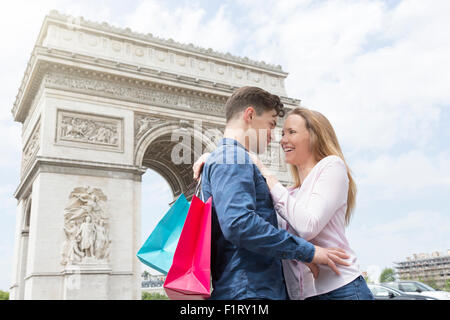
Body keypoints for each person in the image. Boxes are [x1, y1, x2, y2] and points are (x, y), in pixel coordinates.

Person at [194, 105, 374, 300]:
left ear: (315, 135)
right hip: (304, 295)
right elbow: (267, 233)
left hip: (341, 289)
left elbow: (307, 225)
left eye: (291, 132)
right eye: (281, 133)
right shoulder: (289, 194)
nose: (282, 140)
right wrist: (215, 159)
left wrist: (264, 171)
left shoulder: (332, 166)